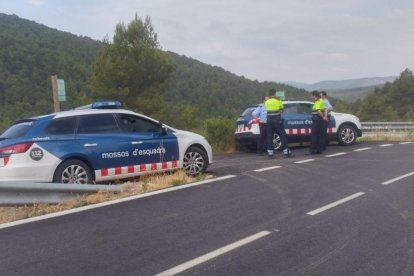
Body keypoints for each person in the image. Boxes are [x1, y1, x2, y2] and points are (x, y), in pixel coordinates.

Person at [264, 90, 293, 159]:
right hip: (277, 121)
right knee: (283, 135)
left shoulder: (266, 102)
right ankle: (286, 152)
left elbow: (266, 109)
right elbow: (282, 110)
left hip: (269, 121)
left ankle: (270, 154)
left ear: (269, 94)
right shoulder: (278, 101)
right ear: (275, 94)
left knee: (270, 136)